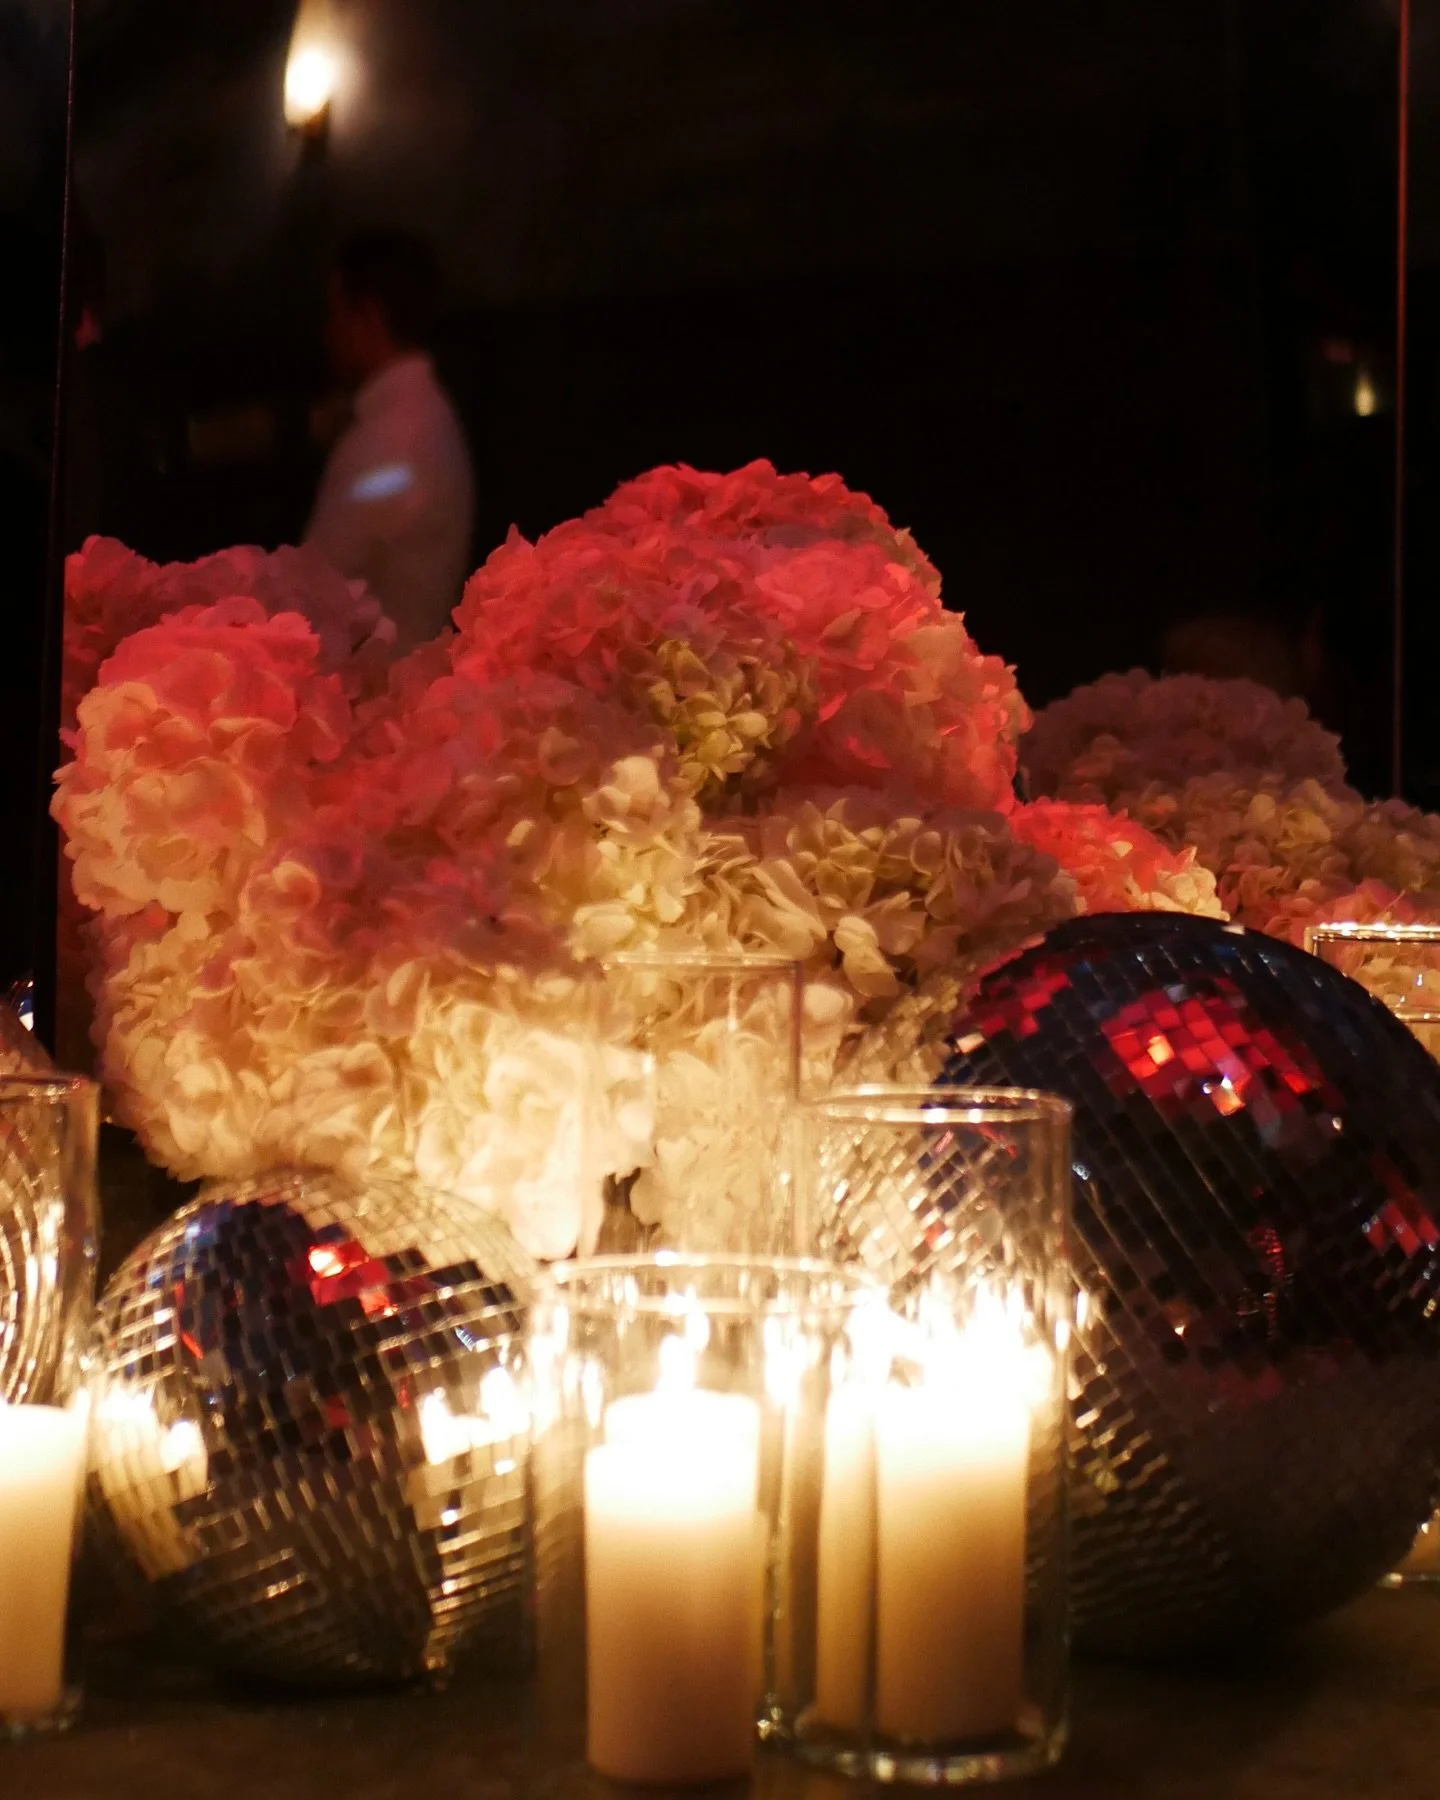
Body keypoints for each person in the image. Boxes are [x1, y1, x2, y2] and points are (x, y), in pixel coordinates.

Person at [305, 229, 475, 651]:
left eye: (336, 312)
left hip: (383, 692)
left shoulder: (389, 439)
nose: (328, 332)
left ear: (370, 316)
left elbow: (308, 589)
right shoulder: (430, 411)